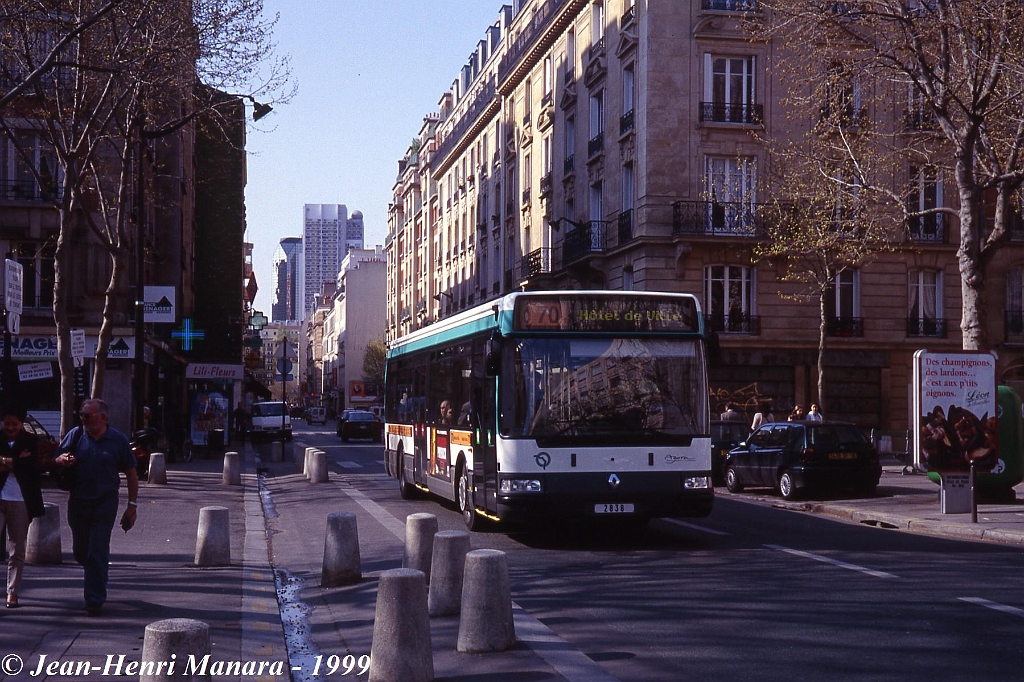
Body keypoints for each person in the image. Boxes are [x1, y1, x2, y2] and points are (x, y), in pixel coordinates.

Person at [53, 398, 138, 617]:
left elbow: (131, 474)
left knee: (97, 549)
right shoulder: (77, 434)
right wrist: (62, 459)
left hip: (105, 501)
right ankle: (96, 572)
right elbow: (57, 457)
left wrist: (132, 505)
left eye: (87, 415)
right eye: (81, 414)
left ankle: (94, 600)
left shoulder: (117, 440)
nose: (83, 418)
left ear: (103, 417)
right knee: (82, 552)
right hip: (79, 500)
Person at [0, 404, 45, 609]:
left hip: (21, 500)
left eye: (14, 424)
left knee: (17, 548)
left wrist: (7, 462)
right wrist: (17, 461)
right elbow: (21, 463)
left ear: (21, 424)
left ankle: (12, 591)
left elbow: (32, 465)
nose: (10, 427)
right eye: (7, 424)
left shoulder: (31, 440)